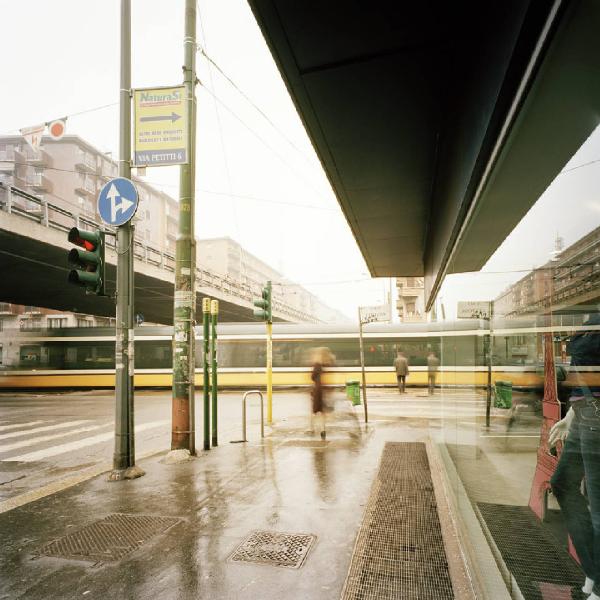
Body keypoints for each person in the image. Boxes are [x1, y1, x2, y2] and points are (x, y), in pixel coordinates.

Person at [549, 313, 600, 599]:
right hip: (585, 415)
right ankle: (594, 570)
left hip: (596, 418)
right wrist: (571, 414)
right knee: (563, 484)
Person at [310, 347, 334, 439]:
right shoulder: (328, 363)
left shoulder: (317, 365)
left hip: (317, 390)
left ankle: (312, 429)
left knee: (315, 411)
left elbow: (312, 377)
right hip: (325, 390)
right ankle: (323, 430)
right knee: (323, 412)